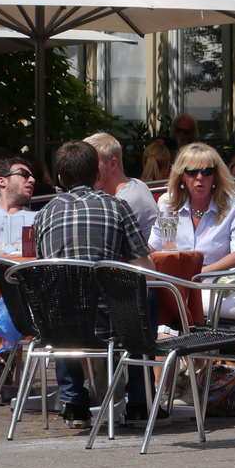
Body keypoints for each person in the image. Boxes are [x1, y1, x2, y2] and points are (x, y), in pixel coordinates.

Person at [35, 141, 155, 426]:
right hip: (110, 325)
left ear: (60, 180)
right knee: (145, 300)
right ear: (97, 175)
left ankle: (74, 400)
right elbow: (145, 270)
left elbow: (45, 273)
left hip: (58, 327)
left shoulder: (44, 215)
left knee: (60, 301)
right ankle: (139, 401)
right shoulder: (118, 207)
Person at [150, 143, 235, 271]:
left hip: (215, 283)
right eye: (192, 172)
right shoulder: (169, 207)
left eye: (207, 172)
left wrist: (199, 274)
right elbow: (152, 249)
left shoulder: (234, 207)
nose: (199, 177)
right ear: (182, 176)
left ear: (215, 176)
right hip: (175, 283)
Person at [86, 132, 159, 239]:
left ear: (113, 164)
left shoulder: (124, 202)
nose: (87, 170)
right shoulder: (136, 184)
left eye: (92, 165)